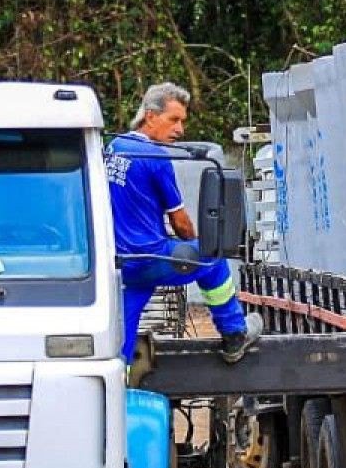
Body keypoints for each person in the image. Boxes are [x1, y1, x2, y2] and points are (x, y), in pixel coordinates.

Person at [108, 83, 261, 364]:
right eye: (174, 120)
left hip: (122, 263)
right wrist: (193, 242)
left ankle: (120, 379)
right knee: (211, 259)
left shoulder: (114, 148)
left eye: (182, 122)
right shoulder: (156, 158)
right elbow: (180, 222)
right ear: (150, 116)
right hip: (150, 256)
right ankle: (234, 334)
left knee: (123, 329)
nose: (180, 130)